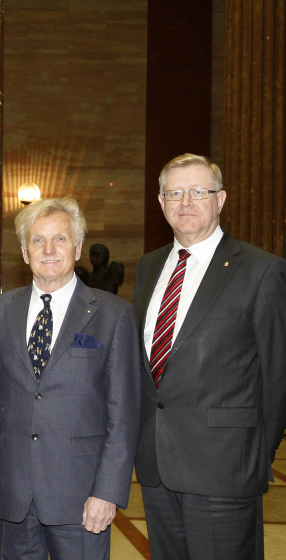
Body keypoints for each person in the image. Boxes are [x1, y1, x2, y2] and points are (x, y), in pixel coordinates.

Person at [134, 153, 286, 560]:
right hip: (156, 467)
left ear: (220, 200)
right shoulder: (148, 268)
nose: (186, 202)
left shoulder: (260, 270)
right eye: (175, 193)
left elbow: (277, 375)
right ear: (162, 203)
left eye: (199, 192)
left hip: (225, 468)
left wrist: (257, 455)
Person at [0, 197, 141, 560]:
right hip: (12, 490)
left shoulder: (114, 315)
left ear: (78, 248)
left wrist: (108, 491)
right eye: (38, 240)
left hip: (82, 495)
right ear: (24, 250)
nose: (49, 249)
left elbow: (124, 415)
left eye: (60, 239)